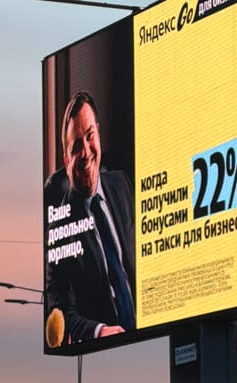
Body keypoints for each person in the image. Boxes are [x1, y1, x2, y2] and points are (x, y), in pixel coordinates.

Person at [44, 90, 135, 345]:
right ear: (66, 159)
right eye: (76, 147)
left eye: (90, 137)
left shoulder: (121, 184)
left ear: (99, 135)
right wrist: (100, 331)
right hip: (113, 343)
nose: (86, 152)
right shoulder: (59, 229)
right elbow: (60, 315)